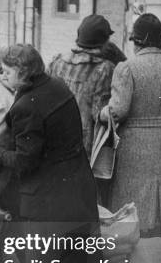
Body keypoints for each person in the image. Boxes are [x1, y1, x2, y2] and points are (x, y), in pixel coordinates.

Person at [0, 44, 101, 263]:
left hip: (50, 192)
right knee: (78, 251)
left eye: (7, 71)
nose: (3, 76)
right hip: (79, 182)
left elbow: (25, 161)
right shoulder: (58, 86)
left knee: (47, 260)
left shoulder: (26, 107)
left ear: (23, 73)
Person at [100, 13, 161, 236]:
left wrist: (102, 113)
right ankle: (160, 242)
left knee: (133, 192)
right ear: (160, 41)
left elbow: (118, 110)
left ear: (136, 41)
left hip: (135, 142)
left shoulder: (127, 68)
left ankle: (134, 242)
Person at [47, 15, 115, 158]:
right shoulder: (104, 69)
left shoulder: (57, 61)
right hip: (82, 146)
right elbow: (99, 114)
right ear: (103, 41)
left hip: (54, 139)